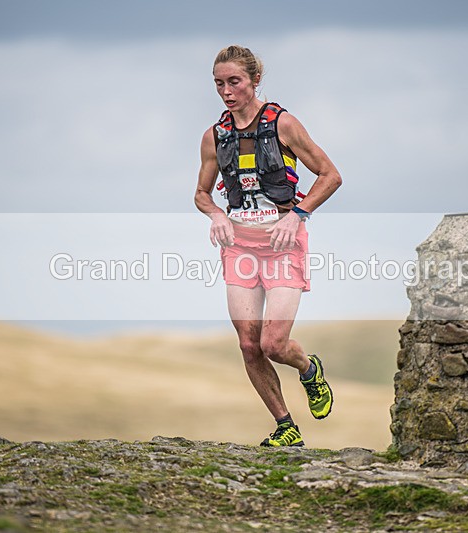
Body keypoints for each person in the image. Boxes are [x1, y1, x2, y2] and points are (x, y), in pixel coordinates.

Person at [194, 45, 342, 447]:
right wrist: (218, 216)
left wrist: (298, 214)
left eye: (234, 82)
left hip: (283, 242)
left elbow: (330, 175)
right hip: (239, 246)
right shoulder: (215, 136)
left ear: (255, 80)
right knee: (248, 343)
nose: (226, 91)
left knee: (273, 343)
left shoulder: (283, 125)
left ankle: (309, 370)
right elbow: (202, 194)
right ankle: (285, 426)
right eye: (219, 84)